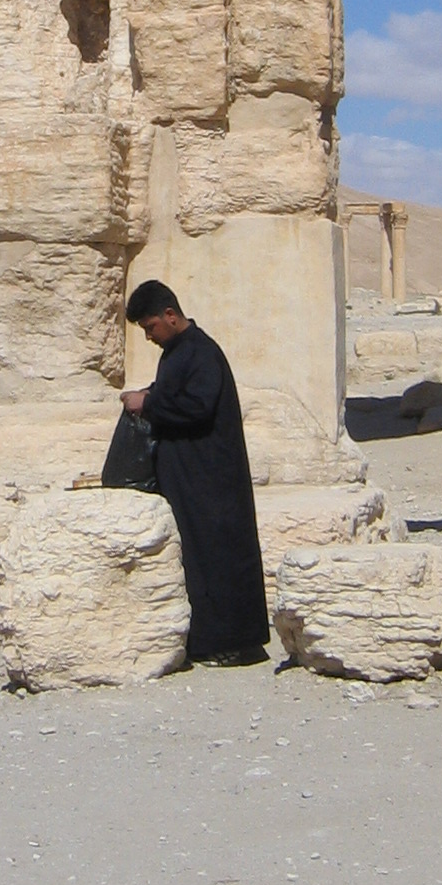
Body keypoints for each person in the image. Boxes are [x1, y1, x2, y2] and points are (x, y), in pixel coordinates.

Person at [122, 282, 269, 665]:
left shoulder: (201, 352)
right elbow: (175, 393)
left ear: (170, 315)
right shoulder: (178, 352)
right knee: (197, 557)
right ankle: (206, 641)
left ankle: (236, 644)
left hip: (210, 477)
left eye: (151, 327)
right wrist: (150, 395)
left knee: (219, 556)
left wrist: (149, 404)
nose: (149, 336)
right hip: (190, 476)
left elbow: (197, 406)